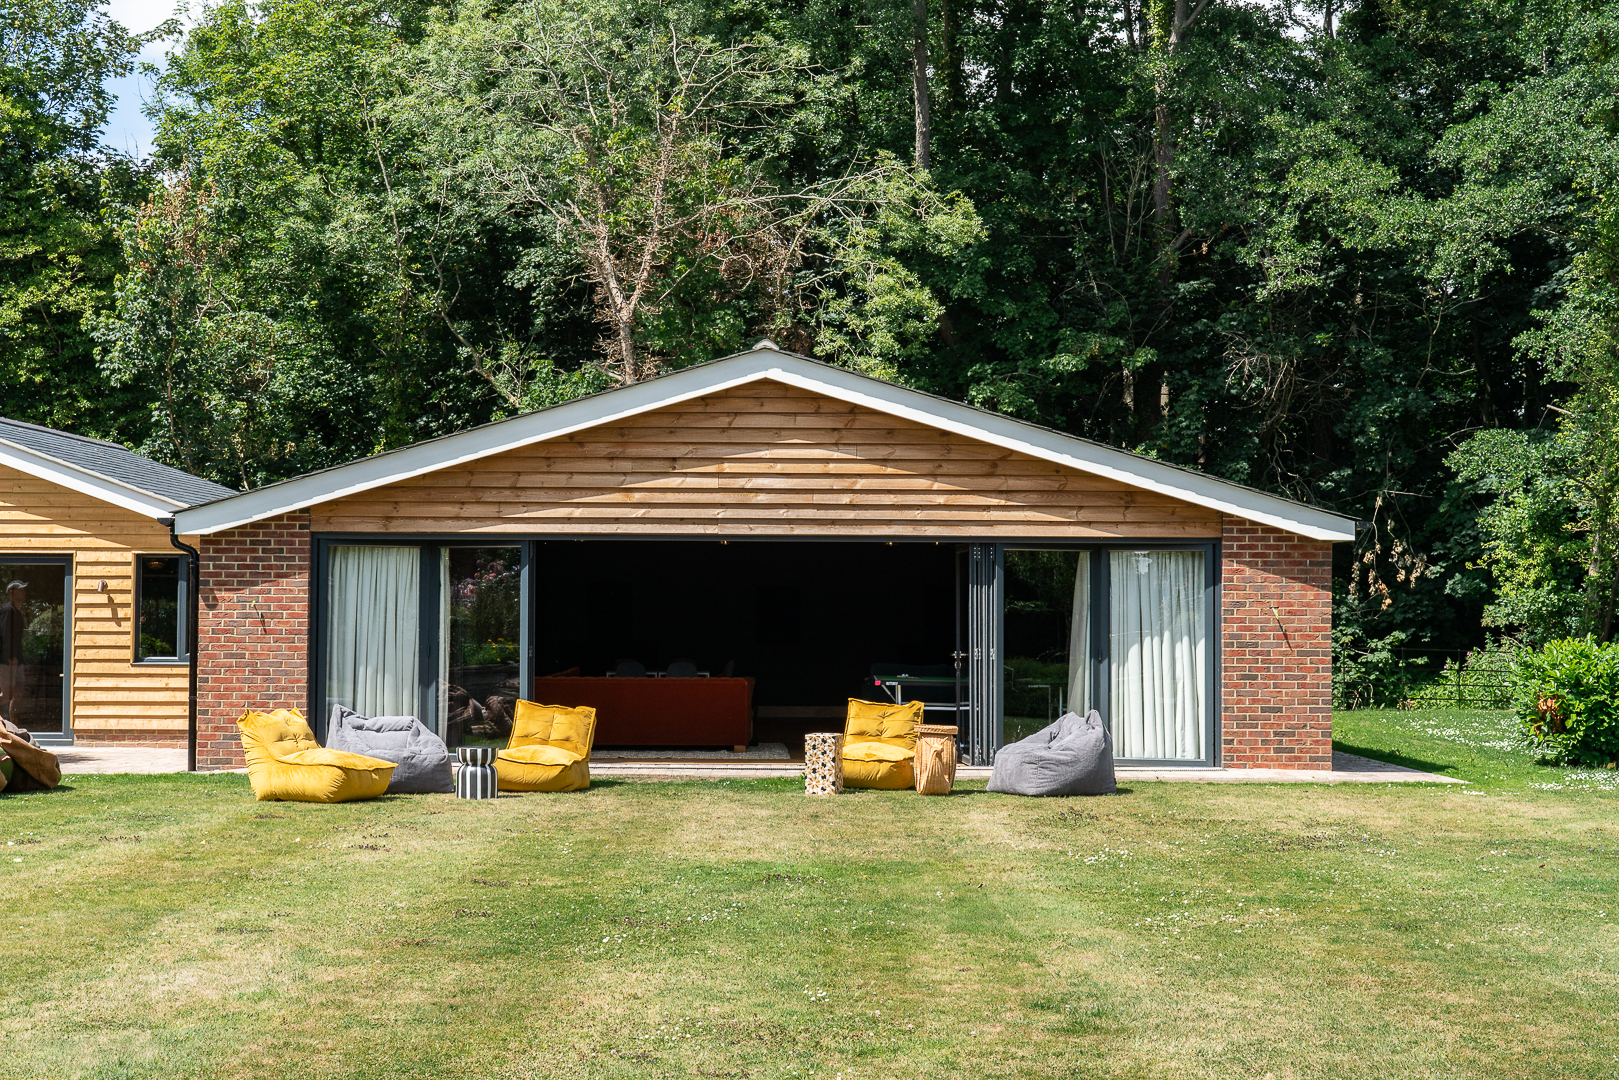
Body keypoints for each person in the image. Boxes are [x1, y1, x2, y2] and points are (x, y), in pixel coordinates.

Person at [0, 580, 25, 726]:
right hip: (7, 661)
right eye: (20, 590)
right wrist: (9, 657)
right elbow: (4, 635)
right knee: (7, 694)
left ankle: (13, 725)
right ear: (12, 593)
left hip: (17, 660)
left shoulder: (16, 611)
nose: (23, 592)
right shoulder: (8, 610)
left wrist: (21, 660)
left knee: (18, 692)